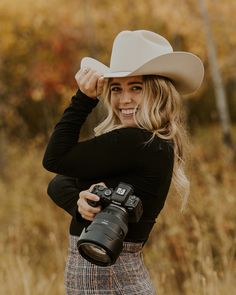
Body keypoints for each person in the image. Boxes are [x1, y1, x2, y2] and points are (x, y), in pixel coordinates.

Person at [42, 30, 204, 294]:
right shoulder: (153, 143)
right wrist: (81, 205)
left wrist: (83, 99)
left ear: (159, 93)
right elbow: (58, 182)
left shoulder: (137, 142)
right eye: (116, 88)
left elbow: (54, 158)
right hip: (113, 275)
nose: (124, 99)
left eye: (136, 88)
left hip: (107, 278)